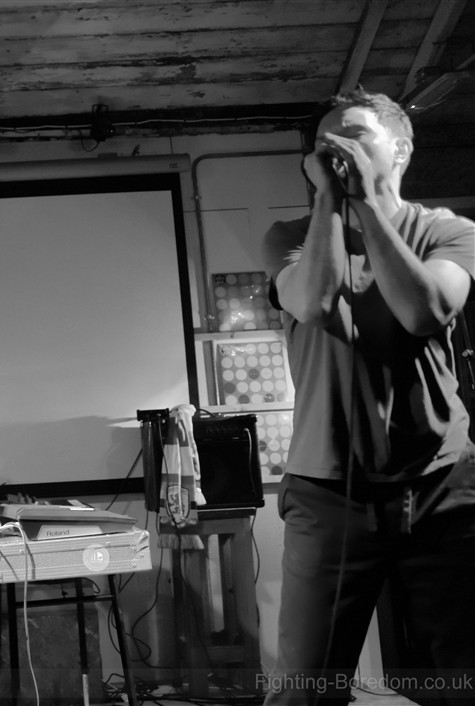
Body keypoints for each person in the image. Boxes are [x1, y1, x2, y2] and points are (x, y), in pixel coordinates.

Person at [261, 88, 475, 705]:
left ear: (400, 149)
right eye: (324, 139)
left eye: (353, 133)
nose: (334, 146)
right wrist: (332, 200)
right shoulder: (290, 235)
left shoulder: (447, 230)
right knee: (305, 688)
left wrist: (368, 205)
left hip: (441, 485)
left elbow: (423, 311)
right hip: (328, 492)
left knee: (463, 674)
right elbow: (312, 303)